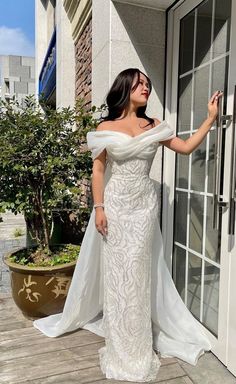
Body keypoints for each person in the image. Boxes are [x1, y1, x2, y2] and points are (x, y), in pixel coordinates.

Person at [34, 68, 222, 382]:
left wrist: (210, 119)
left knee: (137, 272)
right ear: (125, 87)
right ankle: (120, 347)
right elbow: (98, 171)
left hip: (144, 207)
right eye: (140, 83)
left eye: (148, 84)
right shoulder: (106, 127)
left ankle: (138, 347)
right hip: (116, 205)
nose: (146, 88)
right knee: (117, 274)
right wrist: (99, 208)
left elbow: (186, 148)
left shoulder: (156, 125)